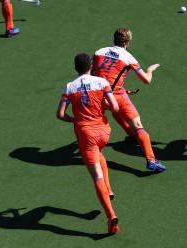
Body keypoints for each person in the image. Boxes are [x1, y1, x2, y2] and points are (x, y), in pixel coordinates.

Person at [56, 53, 120, 234]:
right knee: (99, 154)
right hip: (104, 132)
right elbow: (114, 107)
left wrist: (75, 120)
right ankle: (109, 190)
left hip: (86, 134)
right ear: (91, 66)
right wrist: (102, 106)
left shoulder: (70, 87)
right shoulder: (102, 82)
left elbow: (60, 114)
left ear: (75, 68)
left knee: (96, 176)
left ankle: (111, 216)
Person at [92, 28, 166, 173]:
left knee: (113, 113)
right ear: (128, 42)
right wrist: (150, 70)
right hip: (117, 96)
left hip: (98, 96)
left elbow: (93, 73)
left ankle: (130, 135)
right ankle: (151, 160)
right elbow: (146, 80)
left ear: (114, 39)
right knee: (138, 125)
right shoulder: (128, 57)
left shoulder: (99, 52)